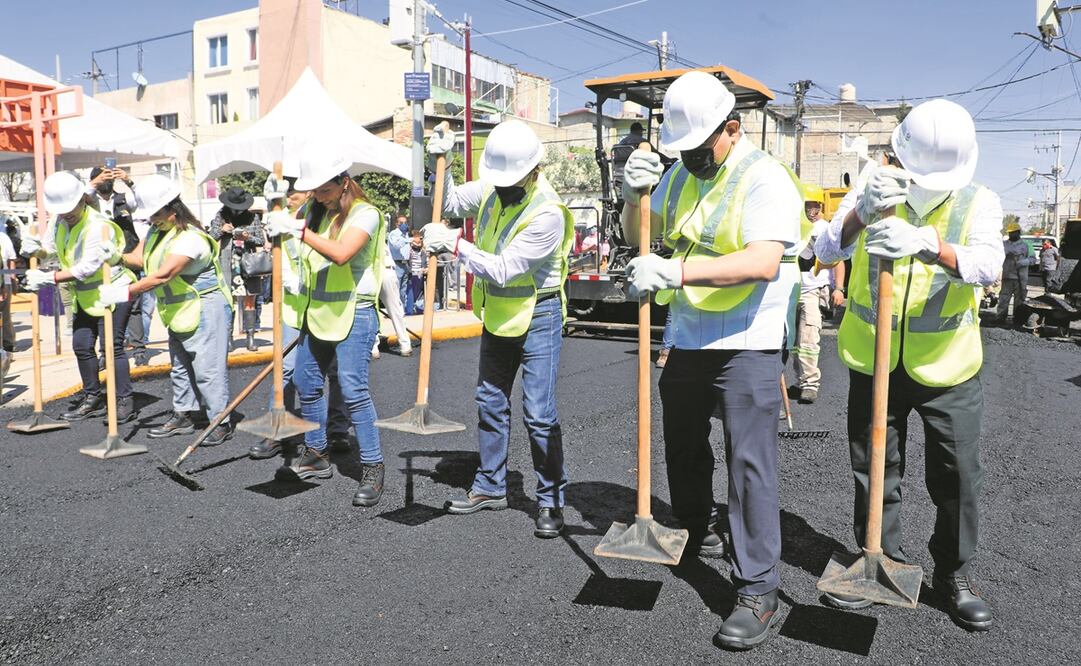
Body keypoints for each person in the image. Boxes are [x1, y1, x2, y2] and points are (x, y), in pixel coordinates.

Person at [620, 71, 804, 650]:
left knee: (749, 464)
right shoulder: (678, 175)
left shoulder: (766, 178)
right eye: (684, 150)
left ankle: (757, 586)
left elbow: (761, 261)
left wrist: (673, 272)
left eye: (701, 148)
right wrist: (634, 197)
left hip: (748, 337)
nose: (692, 159)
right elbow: (641, 240)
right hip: (692, 334)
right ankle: (696, 531)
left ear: (733, 127)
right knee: (682, 444)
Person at [815, 99, 1003, 632]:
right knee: (874, 468)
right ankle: (881, 558)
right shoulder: (873, 186)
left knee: (959, 475)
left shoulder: (978, 201)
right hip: (873, 361)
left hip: (949, 366)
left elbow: (988, 263)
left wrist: (928, 244)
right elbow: (824, 249)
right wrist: (860, 214)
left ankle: (954, 576)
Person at [424, 119, 574, 539]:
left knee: (539, 415)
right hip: (500, 316)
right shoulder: (492, 188)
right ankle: (491, 485)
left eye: (511, 180)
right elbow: (451, 202)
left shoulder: (548, 213)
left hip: (540, 314)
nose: (502, 187)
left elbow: (506, 269)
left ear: (533, 171)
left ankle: (550, 498)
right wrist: (444, 162)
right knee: (490, 400)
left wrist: (455, 245)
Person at [264, 143, 387, 508]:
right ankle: (316, 454)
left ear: (345, 182)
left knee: (353, 390)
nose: (319, 197)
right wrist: (279, 228)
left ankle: (373, 466)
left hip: (355, 313)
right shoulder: (313, 213)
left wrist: (298, 230)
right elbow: (300, 256)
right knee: (306, 382)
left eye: (326, 190)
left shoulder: (366, 214)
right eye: (314, 190)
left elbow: (341, 252)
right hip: (316, 313)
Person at [97, 175, 235, 446]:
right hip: (180, 310)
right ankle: (184, 413)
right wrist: (117, 257)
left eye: (156, 215)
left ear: (173, 210)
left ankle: (220, 420)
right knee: (181, 367)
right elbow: (139, 258)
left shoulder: (190, 239)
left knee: (207, 368)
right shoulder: (158, 233)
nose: (151, 220)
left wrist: (124, 292)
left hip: (207, 308)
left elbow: (162, 275)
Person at [21, 172, 138, 423]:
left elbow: (88, 268)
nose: (67, 213)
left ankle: (124, 400)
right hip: (86, 295)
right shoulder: (59, 222)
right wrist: (36, 251)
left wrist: (48, 278)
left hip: (113, 289)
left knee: (112, 346)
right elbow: (51, 251)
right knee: (82, 344)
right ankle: (93, 398)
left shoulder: (98, 225)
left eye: (70, 207)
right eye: (61, 210)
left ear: (83, 199)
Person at [248, 177, 352, 459]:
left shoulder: (329, 218)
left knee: (335, 373)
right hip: (294, 310)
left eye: (293, 193)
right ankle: (278, 430)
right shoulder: (281, 220)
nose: (290, 197)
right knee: (286, 371)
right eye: (286, 193)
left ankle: (338, 429)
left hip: (328, 308)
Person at [791, 184, 845, 404]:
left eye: (812, 205)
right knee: (792, 341)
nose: (809, 209)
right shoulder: (795, 226)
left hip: (813, 291)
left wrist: (838, 288)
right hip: (792, 290)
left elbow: (838, 260)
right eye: (806, 205)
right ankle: (801, 380)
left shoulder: (825, 229)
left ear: (819, 206)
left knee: (808, 338)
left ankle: (810, 383)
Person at [210, 186, 266, 351]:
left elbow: (261, 241)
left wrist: (247, 237)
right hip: (228, 262)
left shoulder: (252, 217)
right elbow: (211, 237)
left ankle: (250, 337)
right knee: (229, 301)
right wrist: (222, 230)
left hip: (248, 262)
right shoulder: (221, 215)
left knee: (250, 300)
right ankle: (228, 338)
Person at [996, 222, 1032, 325]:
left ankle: (1018, 319)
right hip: (1007, 276)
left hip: (1020, 278)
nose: (1011, 235)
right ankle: (1000, 317)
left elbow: (1033, 259)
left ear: (1018, 232)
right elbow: (998, 256)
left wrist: (1023, 262)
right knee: (1003, 298)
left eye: (1013, 233)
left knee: (1019, 300)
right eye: (1010, 233)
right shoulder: (1004, 245)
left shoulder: (1026, 245)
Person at [388, 214, 412, 310]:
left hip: (405, 264)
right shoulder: (394, 234)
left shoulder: (406, 234)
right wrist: (407, 240)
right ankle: (395, 310)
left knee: (403, 289)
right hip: (396, 264)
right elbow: (396, 245)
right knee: (395, 289)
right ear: (396, 224)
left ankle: (401, 309)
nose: (404, 224)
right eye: (401, 223)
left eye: (405, 222)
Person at [0, 223, 15, 354]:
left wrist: (13, 279)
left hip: (4, 282)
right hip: (4, 282)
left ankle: (7, 344)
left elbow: (11, 260)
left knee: (5, 315)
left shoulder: (3, 238)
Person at [407, 230, 426, 314]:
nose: (418, 244)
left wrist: (423, 268)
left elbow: (424, 262)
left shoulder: (422, 251)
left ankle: (414, 304)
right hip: (412, 272)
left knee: (417, 290)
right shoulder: (409, 250)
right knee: (411, 290)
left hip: (419, 272)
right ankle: (411, 305)